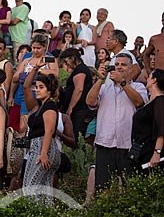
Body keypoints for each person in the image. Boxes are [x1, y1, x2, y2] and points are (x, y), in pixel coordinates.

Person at [86, 53, 147, 190]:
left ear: (131, 69)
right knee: (103, 187)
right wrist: (100, 80)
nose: (119, 67)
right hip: (105, 144)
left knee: (129, 187)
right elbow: (89, 102)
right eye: (116, 64)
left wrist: (122, 83)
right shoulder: (104, 88)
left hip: (128, 145)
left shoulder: (139, 87)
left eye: (123, 65)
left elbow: (139, 102)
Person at [22, 65, 61, 193]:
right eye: (37, 87)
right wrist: (35, 69)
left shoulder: (49, 106)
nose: (37, 90)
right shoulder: (39, 106)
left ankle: (33, 212)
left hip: (43, 147)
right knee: (44, 189)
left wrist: (43, 153)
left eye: (41, 87)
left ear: (49, 90)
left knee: (30, 186)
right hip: (38, 146)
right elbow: (26, 87)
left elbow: (49, 131)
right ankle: (46, 212)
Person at [131, 69, 164, 171]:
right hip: (141, 150)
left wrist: (157, 153)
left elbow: (161, 128)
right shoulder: (151, 102)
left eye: (149, 76)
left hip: (150, 151)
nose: (147, 79)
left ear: (154, 80)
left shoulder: (160, 101)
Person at [59, 48, 94, 142]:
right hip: (78, 109)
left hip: (79, 109)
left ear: (73, 58)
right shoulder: (78, 70)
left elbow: (79, 89)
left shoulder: (81, 70)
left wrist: (70, 107)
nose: (67, 64)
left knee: (76, 136)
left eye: (67, 61)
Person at [8, 0, 29, 66]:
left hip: (18, 39)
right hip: (10, 37)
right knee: (9, 62)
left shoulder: (24, 8)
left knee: (18, 62)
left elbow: (14, 22)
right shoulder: (12, 9)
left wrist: (4, 22)